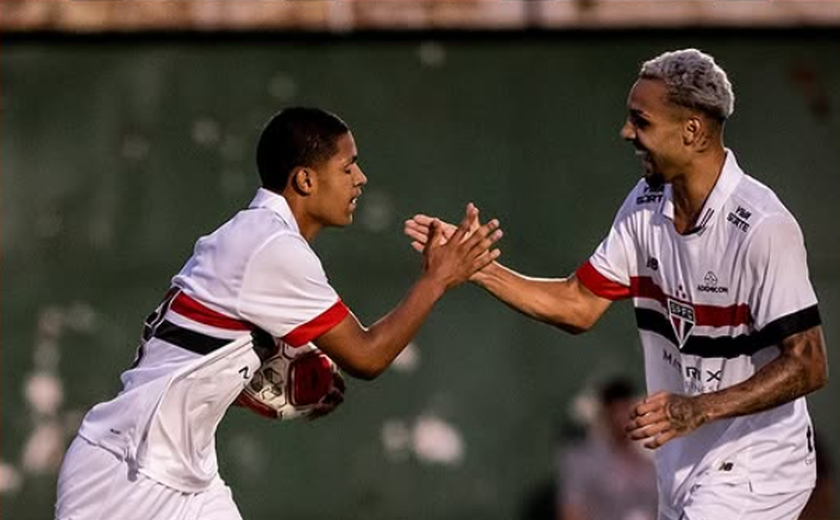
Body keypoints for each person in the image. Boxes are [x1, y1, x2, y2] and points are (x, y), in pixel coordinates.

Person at [405, 49, 828, 520]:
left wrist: (698, 408)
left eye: (640, 121)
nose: (626, 133)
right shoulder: (645, 202)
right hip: (683, 464)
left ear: (692, 130)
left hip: (759, 466)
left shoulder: (762, 226)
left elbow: (809, 364)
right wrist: (475, 265)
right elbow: (578, 304)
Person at [55, 107, 503, 520]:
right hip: (122, 475)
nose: (361, 178)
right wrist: (436, 279)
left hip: (187, 479)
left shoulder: (258, 237)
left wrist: (254, 376)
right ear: (305, 181)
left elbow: (195, 347)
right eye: (347, 167)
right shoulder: (272, 248)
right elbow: (368, 357)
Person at [558, 377, 657, 520]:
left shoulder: (651, 460)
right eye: (615, 411)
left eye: (625, 409)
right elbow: (571, 510)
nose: (621, 417)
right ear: (604, 413)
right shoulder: (582, 460)